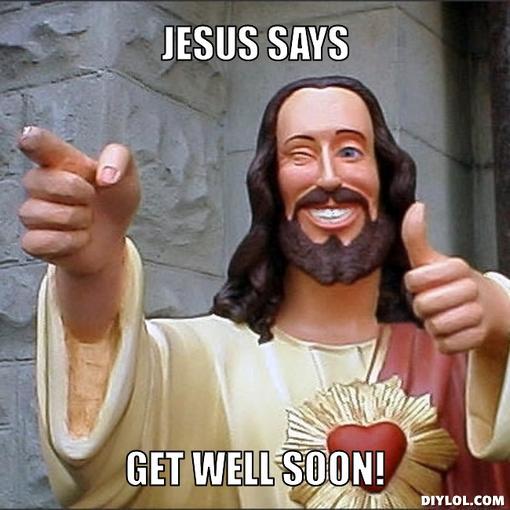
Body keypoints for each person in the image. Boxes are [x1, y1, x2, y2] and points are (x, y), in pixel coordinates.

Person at [18, 76, 510, 508]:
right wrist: (93, 274)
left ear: (385, 177)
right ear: (270, 185)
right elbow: (107, 461)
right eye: (300, 154)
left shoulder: (462, 361)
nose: (329, 176)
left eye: (349, 151)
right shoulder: (207, 360)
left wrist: (501, 327)